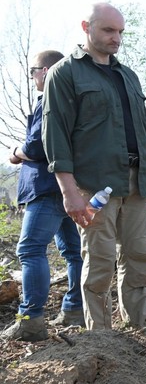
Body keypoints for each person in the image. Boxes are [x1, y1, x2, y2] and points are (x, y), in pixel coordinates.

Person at [42, 2, 146, 330]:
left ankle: (137, 331)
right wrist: (69, 192)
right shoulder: (65, 74)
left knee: (140, 257)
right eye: (108, 30)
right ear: (86, 27)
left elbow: (143, 130)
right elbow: (55, 136)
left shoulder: (128, 75)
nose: (116, 38)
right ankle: (101, 338)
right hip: (96, 184)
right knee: (99, 261)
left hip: (137, 182)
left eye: (120, 32)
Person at [1, 50, 84, 342]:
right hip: (69, 187)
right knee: (73, 253)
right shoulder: (73, 100)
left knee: (30, 250)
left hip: (46, 188)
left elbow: (36, 147)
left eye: (33, 70)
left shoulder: (49, 99)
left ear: (45, 70)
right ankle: (75, 308)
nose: (32, 76)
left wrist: (14, 153)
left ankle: (31, 320)